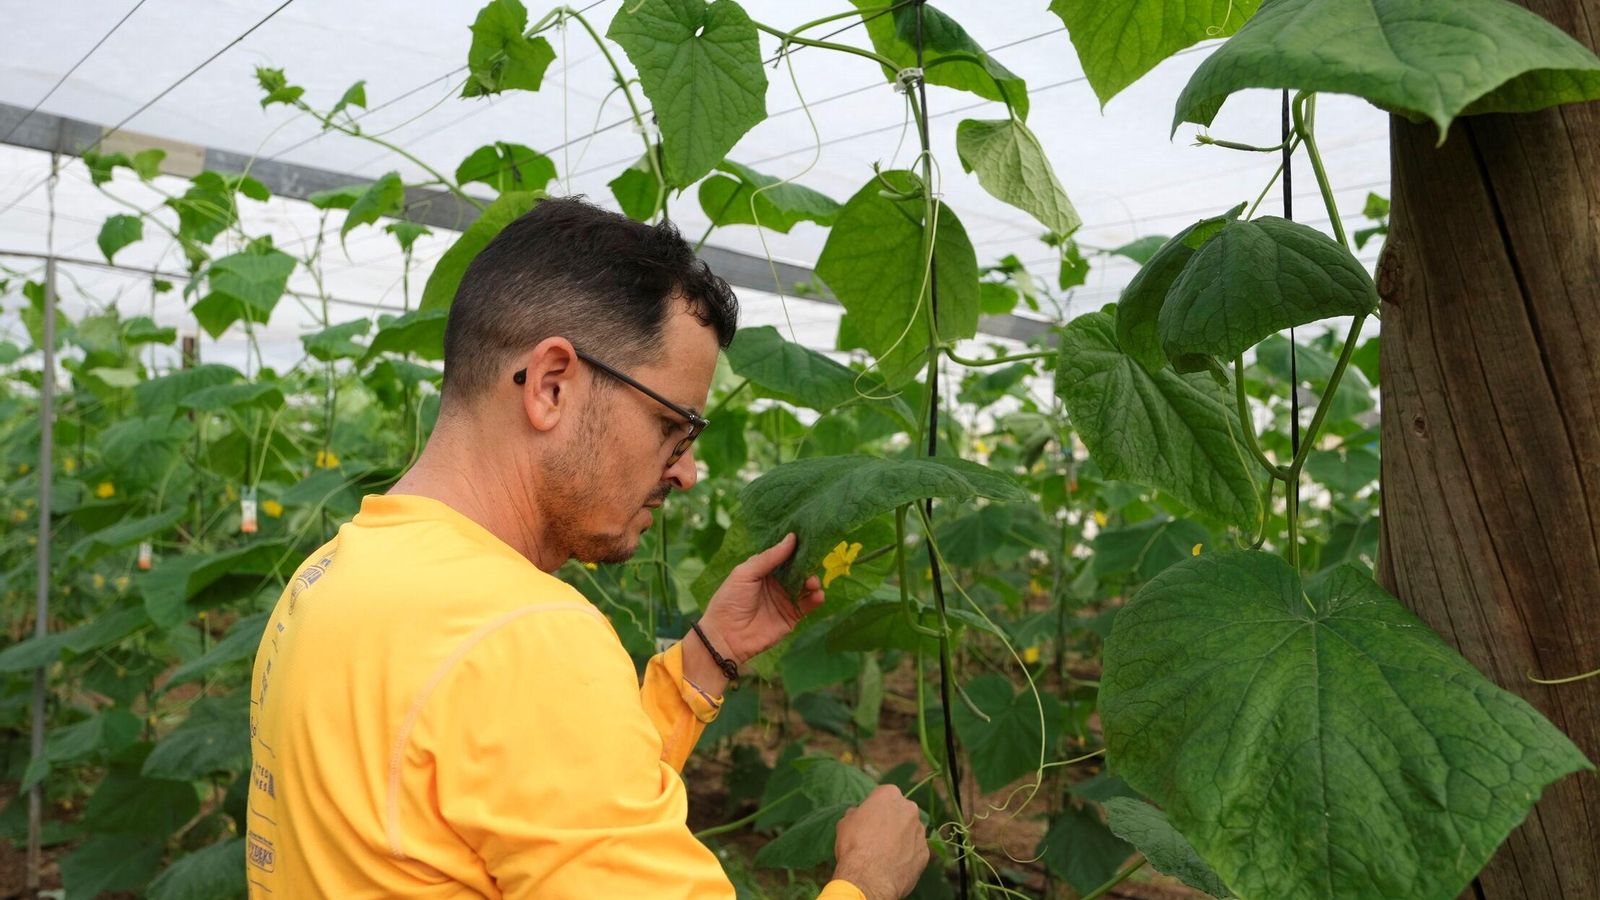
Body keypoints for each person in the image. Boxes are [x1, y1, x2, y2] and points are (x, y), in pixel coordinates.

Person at [246, 197, 931, 899]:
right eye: (674, 425)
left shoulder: (331, 574)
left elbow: (525, 797)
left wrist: (705, 661)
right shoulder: (524, 637)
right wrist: (867, 882)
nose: (687, 472)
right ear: (550, 386)